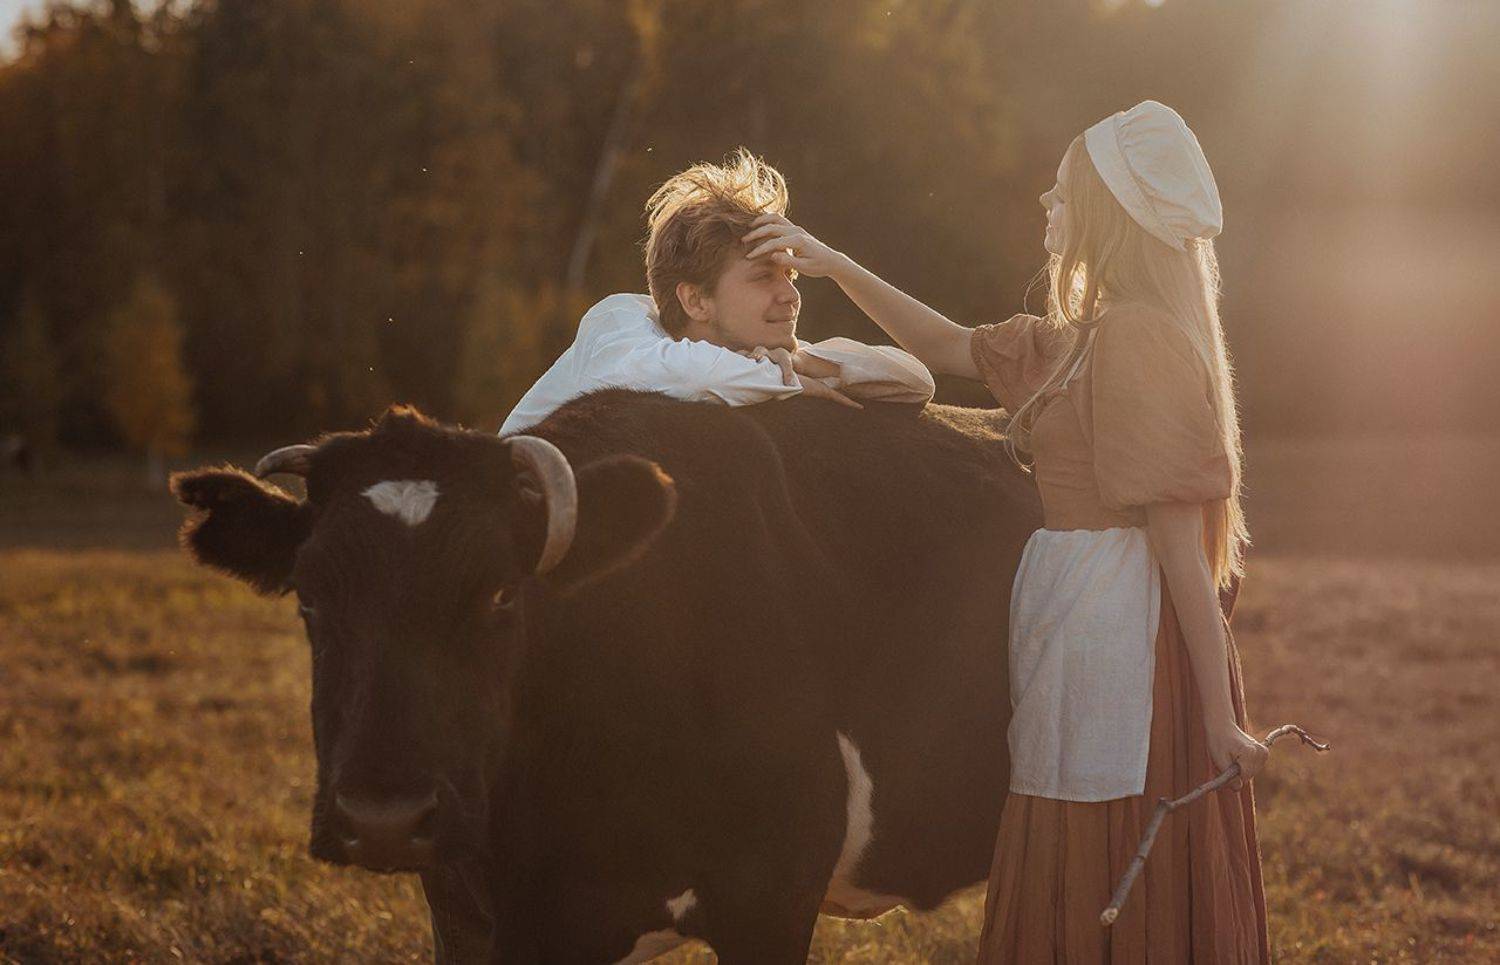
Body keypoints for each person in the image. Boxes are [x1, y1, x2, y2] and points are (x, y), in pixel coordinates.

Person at [738, 101, 1270, 961]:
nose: (1047, 207)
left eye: (1062, 196)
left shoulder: (1137, 339)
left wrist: (1216, 715)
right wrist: (833, 266)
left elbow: (1179, 545)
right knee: (1059, 817)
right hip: (1069, 617)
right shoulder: (1075, 341)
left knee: (1098, 837)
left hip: (1118, 635)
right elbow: (946, 344)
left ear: (1108, 214)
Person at [499, 149, 934, 436]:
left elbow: (915, 381)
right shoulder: (618, 322)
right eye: (765, 276)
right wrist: (786, 380)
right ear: (696, 300)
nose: (790, 295)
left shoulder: (750, 357)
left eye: (792, 276)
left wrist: (807, 352)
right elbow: (682, 374)